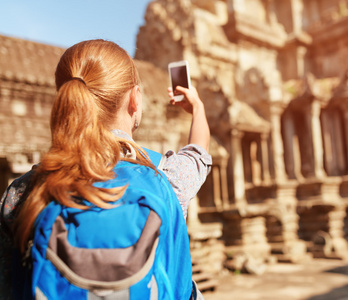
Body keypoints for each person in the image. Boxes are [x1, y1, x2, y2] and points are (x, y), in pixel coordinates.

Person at [0, 39, 211, 299]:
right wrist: (197, 109)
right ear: (135, 99)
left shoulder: (22, 193)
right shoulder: (167, 177)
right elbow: (198, 154)